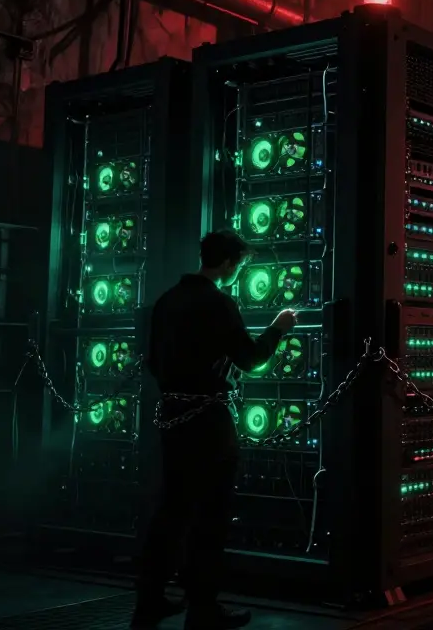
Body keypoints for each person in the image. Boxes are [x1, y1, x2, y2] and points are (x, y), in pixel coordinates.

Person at [133, 231, 297, 630]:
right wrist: (279, 327)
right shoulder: (219, 303)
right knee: (211, 517)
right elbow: (251, 359)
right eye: (238, 265)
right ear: (228, 264)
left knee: (171, 512)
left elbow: (153, 362)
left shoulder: (167, 301)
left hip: (173, 418)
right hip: (208, 423)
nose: (237, 272)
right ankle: (202, 608)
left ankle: (149, 602)